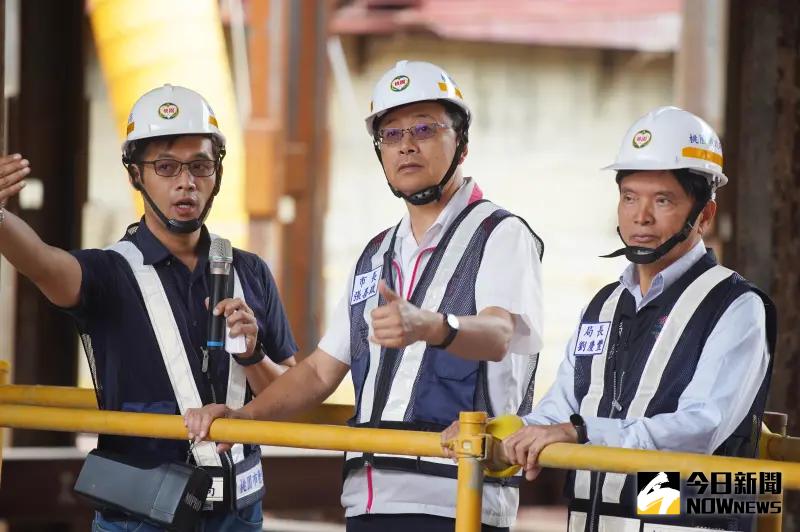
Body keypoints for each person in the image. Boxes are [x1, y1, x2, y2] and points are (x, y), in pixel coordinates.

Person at [185, 60, 545, 531]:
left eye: (425, 128)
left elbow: (501, 334)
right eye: (391, 135)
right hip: (367, 500)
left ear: (462, 144)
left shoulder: (501, 234)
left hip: (456, 502)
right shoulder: (376, 253)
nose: (407, 145)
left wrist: (434, 327)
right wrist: (240, 417)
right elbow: (318, 371)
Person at [446, 106, 776, 532]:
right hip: (592, 519)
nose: (641, 216)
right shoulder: (603, 305)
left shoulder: (736, 306)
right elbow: (560, 409)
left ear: (705, 215)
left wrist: (582, 434)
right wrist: (493, 433)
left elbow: (700, 428)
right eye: (629, 197)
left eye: (663, 200)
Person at [0, 84, 298, 531]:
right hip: (140, 515)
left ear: (217, 173)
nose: (186, 181)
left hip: (239, 514)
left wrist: (253, 356)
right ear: (135, 175)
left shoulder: (249, 271)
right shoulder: (107, 273)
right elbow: (43, 263)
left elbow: (295, 393)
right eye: (165, 167)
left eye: (200, 166)